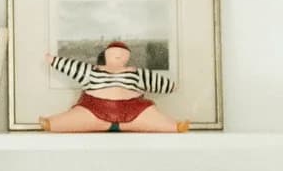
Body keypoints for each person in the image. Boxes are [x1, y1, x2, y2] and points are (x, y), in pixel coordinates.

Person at [42, 38, 185, 134]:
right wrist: (54, 60)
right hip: (93, 109)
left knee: (152, 116)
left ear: (127, 57)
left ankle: (175, 126)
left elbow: (153, 80)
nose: (118, 56)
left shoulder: (136, 72)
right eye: (115, 53)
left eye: (122, 54)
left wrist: (170, 86)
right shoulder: (92, 70)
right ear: (106, 55)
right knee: (74, 118)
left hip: (135, 109)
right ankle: (52, 124)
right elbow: (73, 67)